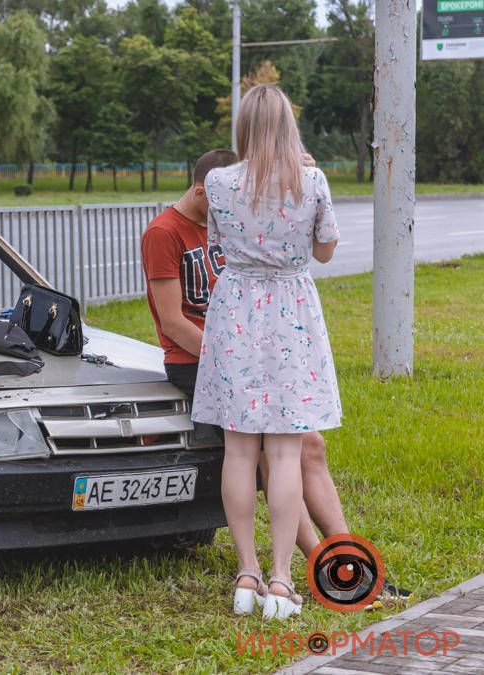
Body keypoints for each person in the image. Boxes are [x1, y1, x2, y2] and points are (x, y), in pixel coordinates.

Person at [142, 142, 409, 619]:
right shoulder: (165, 233)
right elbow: (171, 321)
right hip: (199, 360)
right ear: (206, 190)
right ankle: (334, 570)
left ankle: (341, 560)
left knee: (309, 446)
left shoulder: (240, 220)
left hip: (251, 354)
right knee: (284, 448)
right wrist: (233, 355)